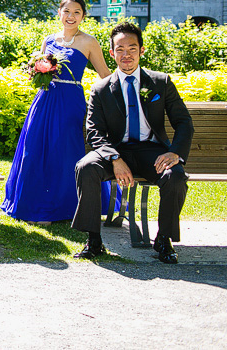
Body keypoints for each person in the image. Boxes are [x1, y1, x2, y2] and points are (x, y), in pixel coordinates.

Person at [73, 22, 193, 264]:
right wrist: (115, 158)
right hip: (115, 151)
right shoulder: (101, 88)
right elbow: (94, 130)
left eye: (132, 48)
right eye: (120, 49)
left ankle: (163, 239)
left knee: (176, 177)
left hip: (151, 151)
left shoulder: (161, 82)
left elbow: (184, 122)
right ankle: (93, 240)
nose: (126, 55)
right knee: (86, 167)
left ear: (142, 50)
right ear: (111, 53)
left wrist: (175, 154)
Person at [1, 0, 112, 223]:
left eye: (77, 12)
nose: (71, 16)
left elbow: (105, 75)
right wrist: (36, 71)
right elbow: (36, 72)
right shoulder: (49, 39)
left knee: (66, 152)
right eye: (67, 11)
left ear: (83, 16)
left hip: (71, 103)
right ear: (59, 12)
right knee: (36, 150)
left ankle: (68, 206)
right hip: (44, 101)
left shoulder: (89, 42)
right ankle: (35, 204)